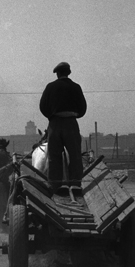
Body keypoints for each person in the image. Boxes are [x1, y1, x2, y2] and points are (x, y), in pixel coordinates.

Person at [39, 61, 87, 192]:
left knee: (54, 156)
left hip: (55, 124)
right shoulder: (76, 87)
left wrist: (51, 116)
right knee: (75, 154)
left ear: (57, 74)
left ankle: (56, 185)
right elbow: (83, 108)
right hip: (71, 123)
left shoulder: (50, 87)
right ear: (69, 73)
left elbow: (42, 106)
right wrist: (75, 115)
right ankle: (75, 184)